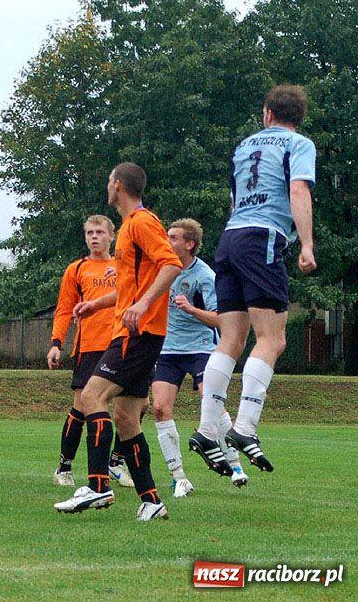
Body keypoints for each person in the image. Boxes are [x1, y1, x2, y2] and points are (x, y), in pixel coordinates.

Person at [191, 85, 317, 475]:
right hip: (262, 238)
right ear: (298, 117)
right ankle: (244, 427)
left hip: (229, 239)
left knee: (231, 340)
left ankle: (207, 429)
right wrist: (307, 244)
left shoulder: (243, 146)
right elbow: (297, 189)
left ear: (267, 113)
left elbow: (234, 199)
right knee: (273, 339)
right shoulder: (299, 144)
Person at [53, 162, 182, 521]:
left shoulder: (141, 222)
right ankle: (152, 502)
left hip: (136, 334)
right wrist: (98, 302)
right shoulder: (127, 228)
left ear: (119, 185)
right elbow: (132, 286)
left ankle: (97, 486)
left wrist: (142, 305)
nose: (107, 185)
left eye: (109, 180)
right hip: (140, 332)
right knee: (126, 418)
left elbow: (171, 265)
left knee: (92, 396)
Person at [150, 219, 248, 498]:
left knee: (212, 403)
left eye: (173, 238)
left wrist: (191, 309)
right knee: (159, 408)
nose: (167, 242)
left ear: (189, 244)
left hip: (201, 348)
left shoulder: (204, 275)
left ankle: (236, 465)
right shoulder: (163, 270)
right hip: (168, 349)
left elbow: (220, 320)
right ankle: (179, 477)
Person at [47, 216, 135, 488]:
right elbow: (64, 309)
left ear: (112, 236)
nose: (94, 237)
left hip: (123, 344)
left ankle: (116, 462)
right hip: (90, 348)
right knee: (82, 407)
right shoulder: (77, 269)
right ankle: (64, 466)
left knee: (134, 408)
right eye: (89, 232)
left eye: (99, 232)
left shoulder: (124, 267)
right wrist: (56, 343)